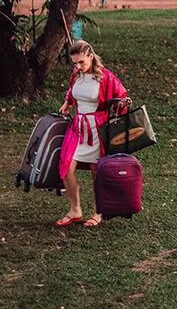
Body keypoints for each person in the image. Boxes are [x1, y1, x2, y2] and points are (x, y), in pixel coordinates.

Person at [54, 40, 129, 227]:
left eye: (81, 62)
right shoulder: (76, 74)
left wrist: (122, 104)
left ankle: (98, 212)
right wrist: (67, 103)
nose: (78, 67)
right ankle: (75, 210)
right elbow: (72, 91)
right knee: (66, 165)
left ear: (91, 56)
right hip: (77, 127)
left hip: (97, 128)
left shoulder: (106, 77)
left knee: (97, 171)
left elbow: (120, 97)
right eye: (75, 63)